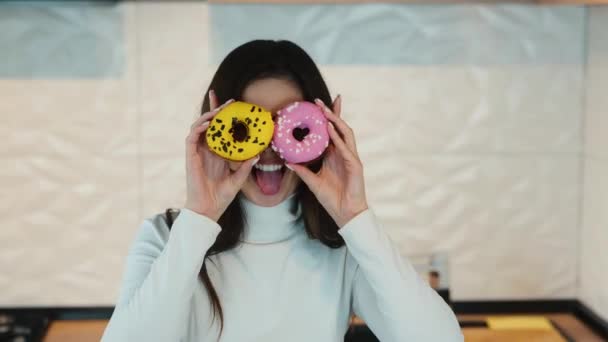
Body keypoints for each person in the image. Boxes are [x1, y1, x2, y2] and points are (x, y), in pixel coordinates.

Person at [101, 40, 463, 342]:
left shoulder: (342, 247)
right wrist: (198, 219)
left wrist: (355, 218)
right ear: (215, 130)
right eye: (249, 126)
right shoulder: (166, 237)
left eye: (288, 126)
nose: (269, 149)